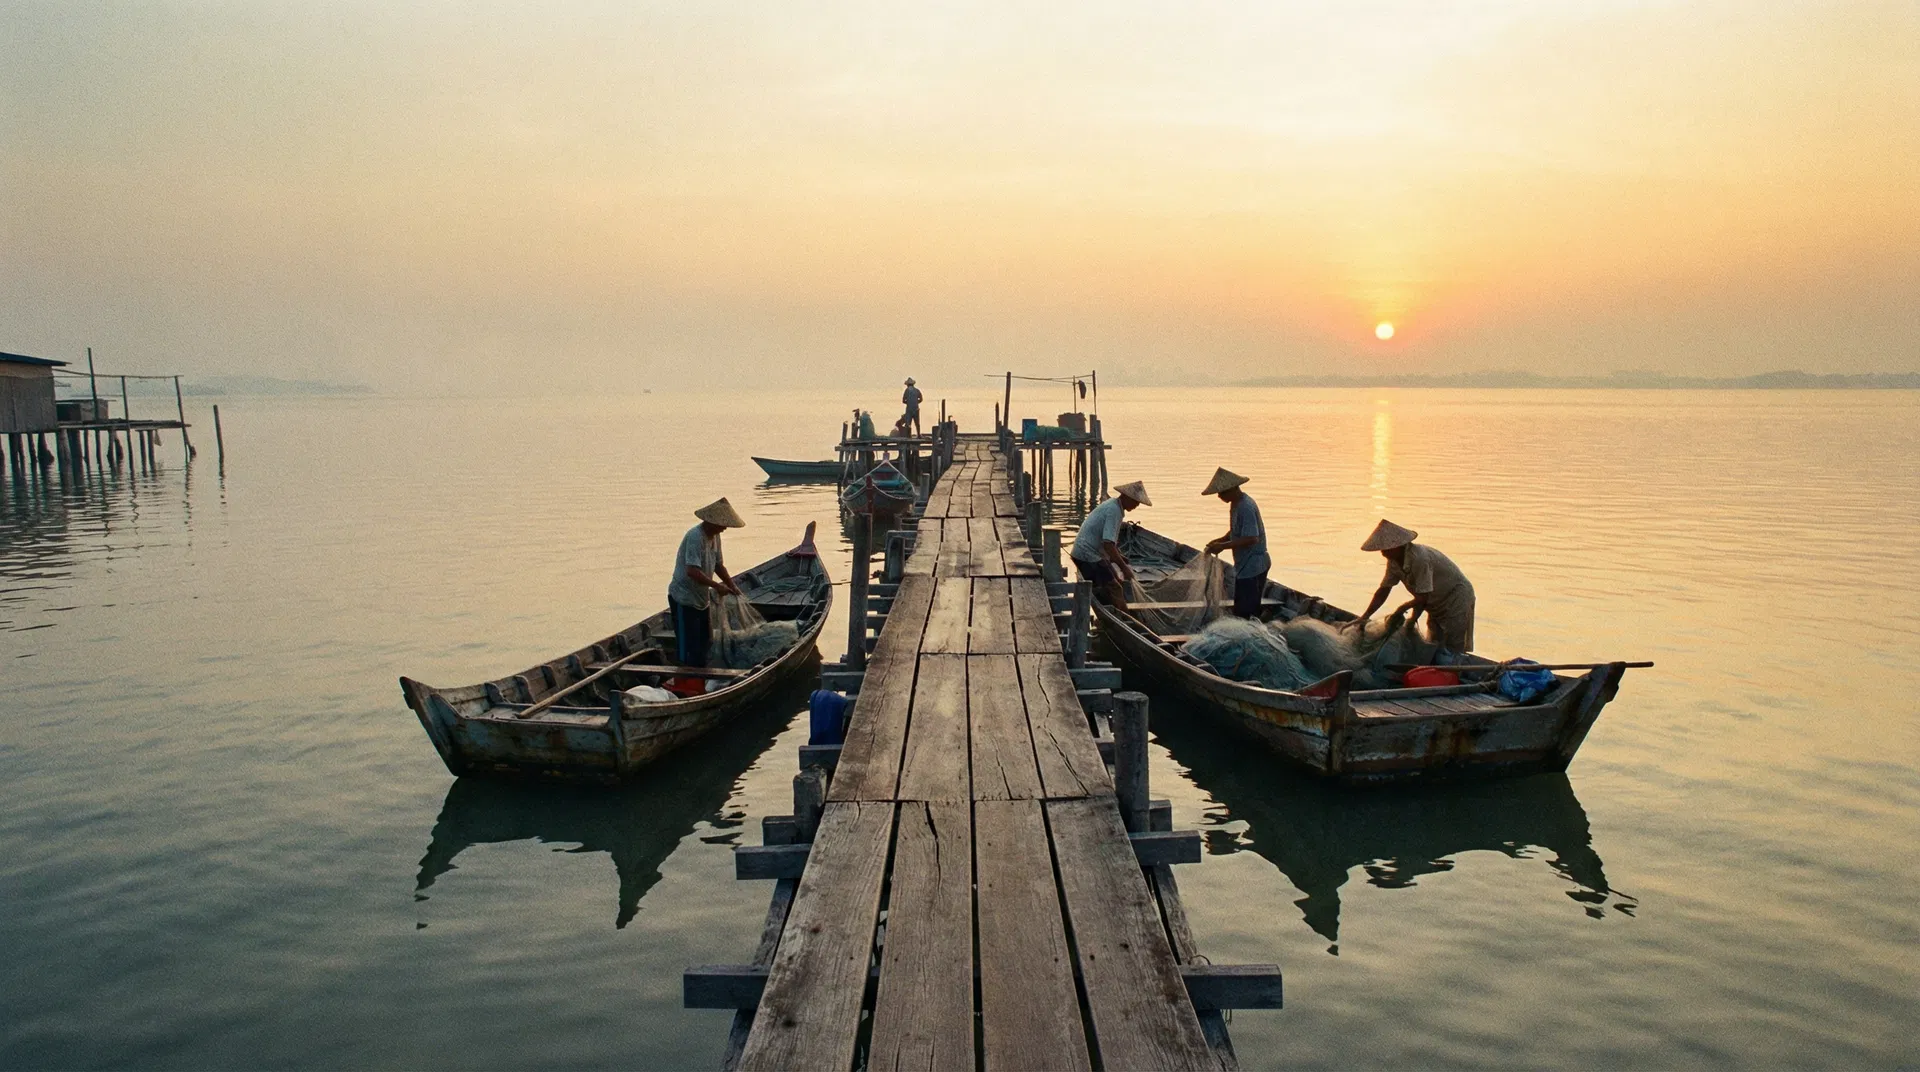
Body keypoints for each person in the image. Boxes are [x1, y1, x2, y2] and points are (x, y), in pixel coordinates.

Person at [1348, 519, 1476, 654]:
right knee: (1434, 641)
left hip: (1456, 597)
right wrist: (1365, 616)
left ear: (1397, 546)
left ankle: (1453, 670)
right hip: (1434, 602)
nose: (1382, 553)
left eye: (1386, 549)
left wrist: (1404, 611)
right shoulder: (1394, 562)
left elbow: (1423, 597)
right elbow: (1384, 590)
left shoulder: (1420, 559)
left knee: (1453, 645)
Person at [667, 498, 745, 667]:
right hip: (684, 598)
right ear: (711, 522)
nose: (724, 528)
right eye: (722, 524)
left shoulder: (715, 537)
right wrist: (717, 586)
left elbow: (718, 565)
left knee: (706, 641)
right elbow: (692, 571)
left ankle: (699, 673)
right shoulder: (695, 536)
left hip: (702, 599)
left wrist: (732, 585)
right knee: (688, 645)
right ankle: (684, 678)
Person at [1070, 481, 1151, 609]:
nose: (1136, 505)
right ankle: (1126, 619)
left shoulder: (1114, 506)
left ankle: (1113, 608)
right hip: (1087, 555)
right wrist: (1124, 568)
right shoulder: (1114, 511)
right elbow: (1108, 545)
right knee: (1116, 587)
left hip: (1091, 553)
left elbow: (1109, 542)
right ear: (1126, 497)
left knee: (1117, 581)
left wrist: (1119, 557)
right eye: (1135, 501)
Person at [1201, 468, 1270, 618]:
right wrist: (1220, 540)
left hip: (1253, 566)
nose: (1219, 496)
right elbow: (1236, 531)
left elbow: (1252, 538)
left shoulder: (1246, 506)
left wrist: (1222, 547)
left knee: (1246, 611)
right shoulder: (1235, 504)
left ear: (1231, 489)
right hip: (1244, 565)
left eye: (1221, 492)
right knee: (1241, 607)